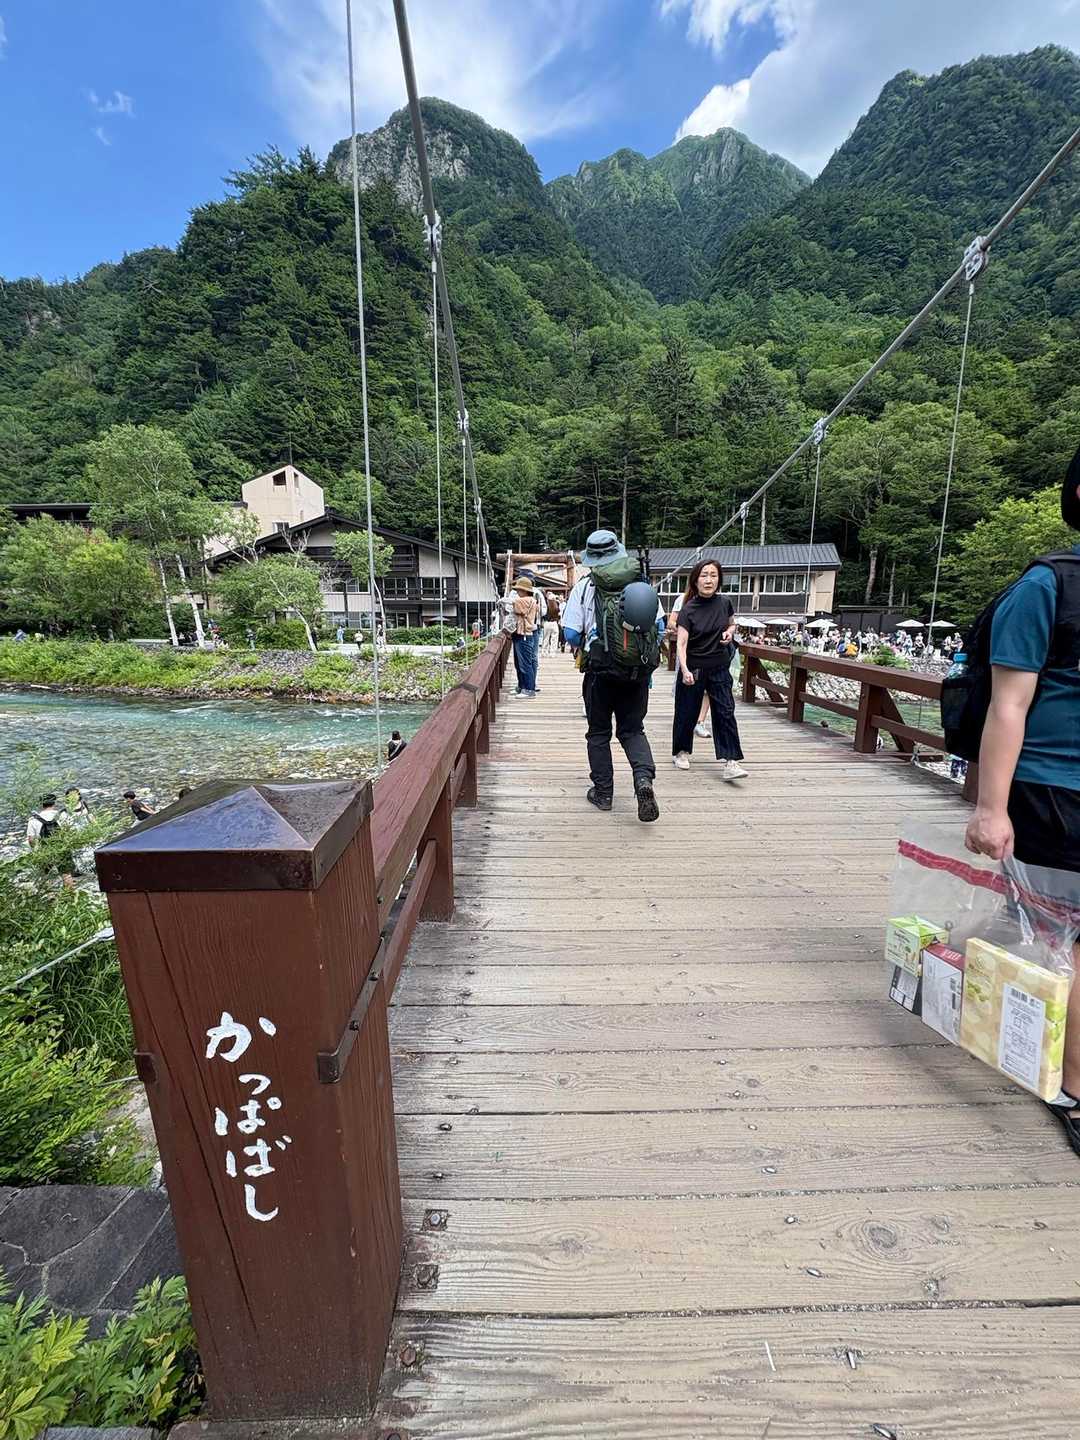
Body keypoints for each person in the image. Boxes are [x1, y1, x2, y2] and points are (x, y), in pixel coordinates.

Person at [964, 445, 1080, 1157]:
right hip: (1055, 787)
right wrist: (992, 806)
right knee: (1064, 934)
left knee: (1053, 932)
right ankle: (1073, 1080)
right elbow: (1008, 704)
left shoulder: (1044, 586)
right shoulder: (1048, 587)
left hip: (1052, 787)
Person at [563, 529, 660, 822]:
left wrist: (591, 641)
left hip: (600, 672)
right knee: (633, 730)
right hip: (636, 673)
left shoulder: (585, 586)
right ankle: (643, 780)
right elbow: (659, 627)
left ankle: (604, 794)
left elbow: (571, 633)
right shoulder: (641, 583)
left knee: (598, 732)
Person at [672, 560, 748, 780]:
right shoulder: (688, 609)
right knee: (686, 711)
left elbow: (731, 624)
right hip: (694, 668)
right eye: (704, 575)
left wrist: (729, 633)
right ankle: (681, 752)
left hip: (719, 667)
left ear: (719, 580)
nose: (708, 580)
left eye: (713, 575)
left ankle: (731, 761)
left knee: (725, 711)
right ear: (696, 580)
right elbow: (681, 644)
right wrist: (685, 669)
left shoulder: (725, 603)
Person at [668, 589, 712, 738]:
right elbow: (671, 622)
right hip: (687, 650)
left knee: (707, 688)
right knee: (686, 685)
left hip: (709, 651)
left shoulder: (717, 602)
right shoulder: (682, 599)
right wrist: (686, 629)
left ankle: (700, 722)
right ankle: (685, 720)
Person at [504, 577, 541, 697]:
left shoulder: (527, 600)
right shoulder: (528, 600)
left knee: (525, 664)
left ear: (525, 590)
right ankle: (521, 687)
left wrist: (502, 600)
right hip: (520, 634)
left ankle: (529, 689)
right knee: (520, 664)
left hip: (524, 635)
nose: (517, 592)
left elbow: (513, 604)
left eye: (519, 589)